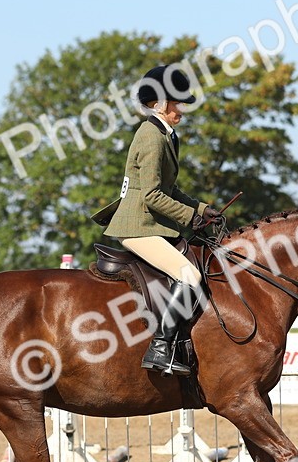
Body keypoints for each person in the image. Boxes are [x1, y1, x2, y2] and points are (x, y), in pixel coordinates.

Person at [90, 64, 223, 376]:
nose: (181, 111)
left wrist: (203, 209)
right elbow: (151, 195)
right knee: (189, 275)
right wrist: (190, 217)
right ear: (161, 103)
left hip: (149, 223)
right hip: (138, 226)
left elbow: (169, 189)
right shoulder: (152, 136)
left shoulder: (165, 134)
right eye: (177, 104)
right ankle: (161, 347)